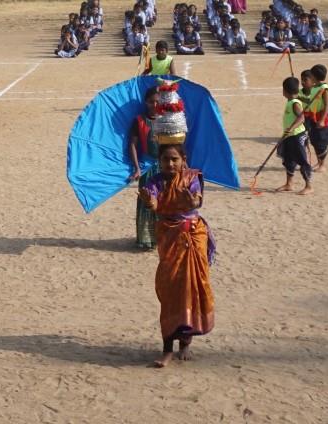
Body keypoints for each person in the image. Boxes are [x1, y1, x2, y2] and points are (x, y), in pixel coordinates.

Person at [138, 143, 215, 368]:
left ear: (183, 160)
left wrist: (193, 201)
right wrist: (149, 202)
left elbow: (196, 199)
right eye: (165, 159)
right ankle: (167, 349)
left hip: (193, 237)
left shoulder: (192, 178)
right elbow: (153, 202)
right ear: (159, 161)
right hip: (169, 238)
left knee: (191, 287)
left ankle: (185, 343)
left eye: (174, 159)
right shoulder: (154, 182)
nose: (170, 164)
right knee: (170, 291)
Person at [129, 86, 162, 249]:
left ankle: (163, 237)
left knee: (165, 201)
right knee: (146, 201)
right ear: (146, 102)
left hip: (166, 167)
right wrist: (137, 168)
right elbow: (133, 145)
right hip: (147, 168)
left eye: (157, 102)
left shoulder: (168, 119)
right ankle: (147, 239)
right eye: (151, 102)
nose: (154, 105)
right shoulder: (139, 120)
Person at [277, 77, 313, 195]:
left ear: (285, 91)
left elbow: (301, 118)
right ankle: (289, 184)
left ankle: (309, 186)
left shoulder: (295, 103)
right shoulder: (290, 102)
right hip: (289, 136)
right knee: (288, 160)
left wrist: (291, 129)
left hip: (297, 136)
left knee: (302, 160)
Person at [305, 65, 328, 172]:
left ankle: (323, 165)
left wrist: (321, 120)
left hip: (321, 117)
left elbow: (326, 105)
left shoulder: (323, 89)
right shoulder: (314, 87)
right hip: (312, 117)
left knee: (321, 141)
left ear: (314, 76)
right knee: (314, 140)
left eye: (311, 74)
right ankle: (319, 162)